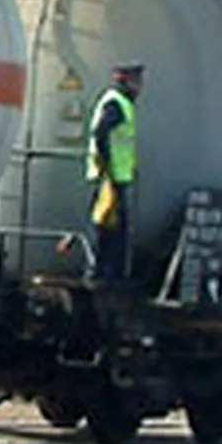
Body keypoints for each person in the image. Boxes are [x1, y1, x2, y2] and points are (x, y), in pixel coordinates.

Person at [84, 61, 144, 283]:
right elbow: (100, 132)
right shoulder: (115, 104)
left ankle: (108, 272)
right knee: (105, 226)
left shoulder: (121, 103)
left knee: (113, 227)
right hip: (110, 178)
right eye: (137, 81)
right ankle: (100, 272)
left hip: (116, 177)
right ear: (126, 81)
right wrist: (106, 166)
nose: (140, 86)